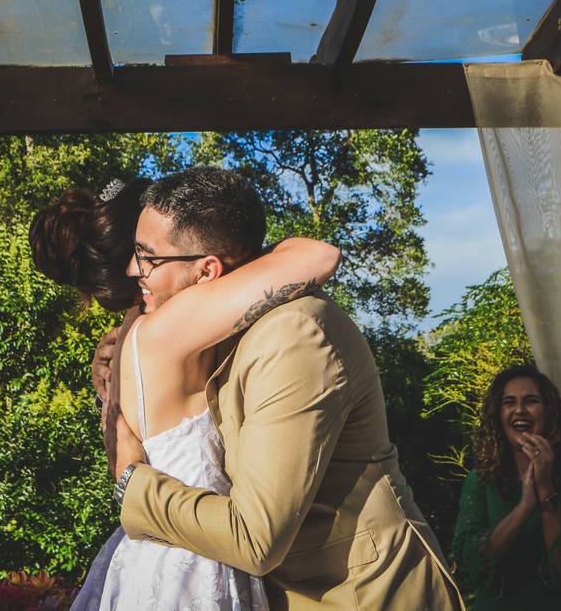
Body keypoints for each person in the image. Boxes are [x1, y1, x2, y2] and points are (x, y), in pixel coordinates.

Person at [101, 166, 463, 610]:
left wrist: (133, 483)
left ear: (208, 271)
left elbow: (255, 539)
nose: (132, 269)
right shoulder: (211, 334)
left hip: (359, 595)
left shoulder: (291, 332)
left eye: (148, 257)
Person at [31, 176, 343, 610]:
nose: (136, 267)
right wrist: (227, 253)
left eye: (146, 254)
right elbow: (320, 255)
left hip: (153, 549)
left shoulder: (132, 339)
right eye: (142, 251)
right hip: (199, 556)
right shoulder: (174, 326)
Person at [451, 365, 561, 610]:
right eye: (509, 402)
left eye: (531, 401)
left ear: (549, 413)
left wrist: (545, 490)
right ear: (498, 415)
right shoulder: (479, 482)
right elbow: (471, 567)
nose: (520, 410)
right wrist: (523, 508)